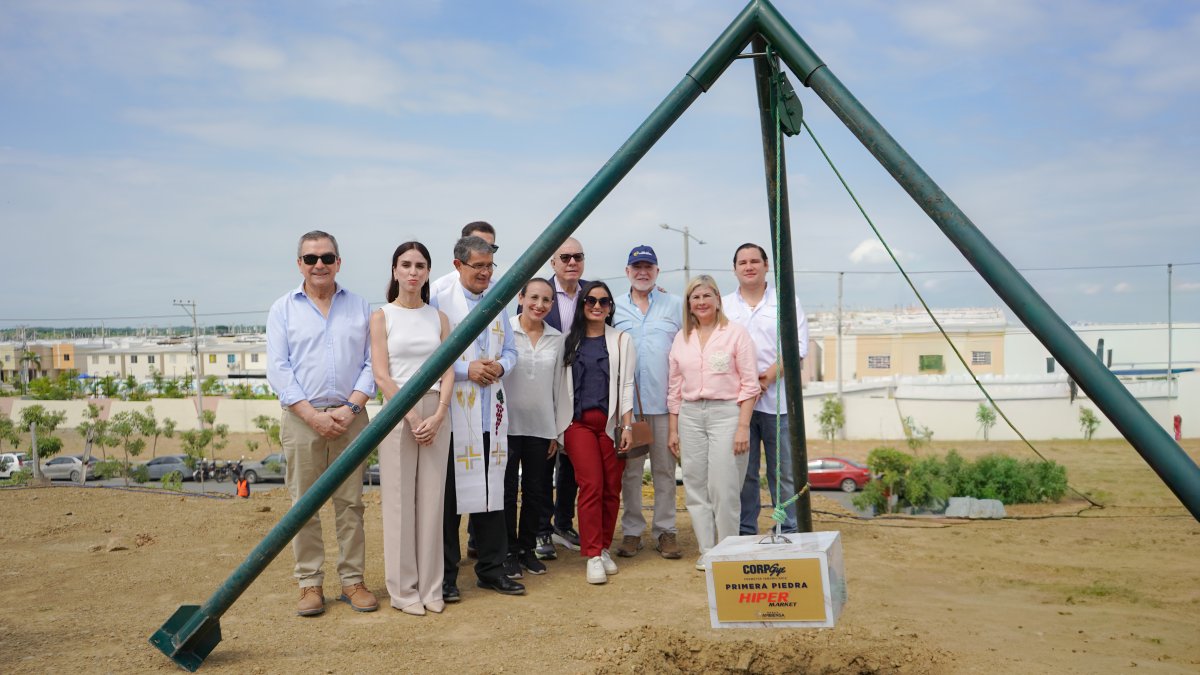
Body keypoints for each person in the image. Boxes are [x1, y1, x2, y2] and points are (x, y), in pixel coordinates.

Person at [266, 230, 378, 616]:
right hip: (302, 418)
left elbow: (371, 364)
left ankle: (352, 581)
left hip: (352, 417)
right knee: (303, 506)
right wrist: (312, 415)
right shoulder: (282, 309)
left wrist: (350, 408)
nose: (319, 265)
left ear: (338, 263)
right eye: (311, 258)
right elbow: (278, 370)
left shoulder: (361, 307)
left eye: (327, 258)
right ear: (299, 263)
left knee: (351, 504)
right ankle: (309, 584)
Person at [430, 235, 524, 600]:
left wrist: (500, 365)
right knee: (451, 501)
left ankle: (492, 569)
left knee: (493, 495)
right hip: (455, 411)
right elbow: (431, 355)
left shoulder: (498, 299)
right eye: (478, 266)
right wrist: (469, 369)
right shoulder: (440, 299)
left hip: (492, 412)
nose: (486, 273)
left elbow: (512, 350)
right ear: (458, 265)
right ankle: (448, 576)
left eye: (489, 266)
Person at [369, 241, 455, 616]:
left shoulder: (439, 319)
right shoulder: (381, 317)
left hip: (436, 409)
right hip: (397, 413)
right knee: (400, 501)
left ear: (427, 272)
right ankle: (403, 591)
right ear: (394, 270)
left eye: (420, 265)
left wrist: (438, 414)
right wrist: (411, 415)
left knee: (433, 502)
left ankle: (431, 587)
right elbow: (381, 373)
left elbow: (449, 369)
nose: (413, 271)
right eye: (406, 264)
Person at [667, 275, 759, 570]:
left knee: (724, 487)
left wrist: (743, 426)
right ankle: (707, 551)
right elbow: (674, 388)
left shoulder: (736, 334)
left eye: (707, 295)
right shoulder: (682, 338)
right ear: (689, 304)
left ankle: (728, 550)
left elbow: (749, 385)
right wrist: (673, 429)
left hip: (726, 415)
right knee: (695, 485)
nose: (702, 302)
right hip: (691, 415)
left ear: (718, 299)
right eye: (696, 297)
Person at [723, 243, 810, 535]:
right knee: (744, 474)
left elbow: (796, 347)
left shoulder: (786, 301)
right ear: (734, 269)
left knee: (783, 472)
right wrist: (746, 385)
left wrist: (766, 378)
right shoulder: (725, 305)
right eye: (742, 262)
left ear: (766, 265)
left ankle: (788, 528)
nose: (749, 266)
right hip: (738, 406)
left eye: (754, 261)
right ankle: (745, 530)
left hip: (778, 404)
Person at [560, 281, 636, 584]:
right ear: (581, 305)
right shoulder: (568, 341)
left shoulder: (621, 340)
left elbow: (627, 385)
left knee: (611, 487)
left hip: (611, 424)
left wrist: (627, 425)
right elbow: (558, 388)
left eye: (604, 302)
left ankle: (604, 547)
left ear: (610, 308)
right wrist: (558, 430)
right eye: (591, 300)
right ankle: (592, 554)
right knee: (590, 484)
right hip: (577, 424)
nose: (597, 306)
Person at [612, 245, 683, 560]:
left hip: (666, 406)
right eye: (636, 267)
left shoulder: (674, 305)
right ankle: (631, 532)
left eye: (648, 267)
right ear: (627, 271)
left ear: (657, 271)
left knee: (665, 472)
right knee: (630, 472)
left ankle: (666, 530)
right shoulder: (613, 307)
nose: (643, 272)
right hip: (629, 408)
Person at [504, 278, 571, 579]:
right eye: (533, 298)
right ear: (520, 298)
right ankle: (506, 551)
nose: (539, 305)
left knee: (535, 491)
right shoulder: (504, 330)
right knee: (505, 492)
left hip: (541, 427)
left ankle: (526, 549)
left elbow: (559, 389)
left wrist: (556, 432)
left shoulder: (558, 339)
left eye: (546, 300)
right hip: (504, 426)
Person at [532, 237, 588, 559]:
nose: (571, 262)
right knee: (544, 460)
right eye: (564, 257)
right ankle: (541, 530)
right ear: (553, 262)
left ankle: (562, 523)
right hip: (544, 388)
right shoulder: (539, 293)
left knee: (573, 459)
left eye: (577, 256)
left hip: (581, 388)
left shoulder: (592, 294)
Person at [429, 221, 498, 298]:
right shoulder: (439, 289)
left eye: (491, 247)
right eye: (478, 245)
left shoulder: (497, 289)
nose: (485, 251)